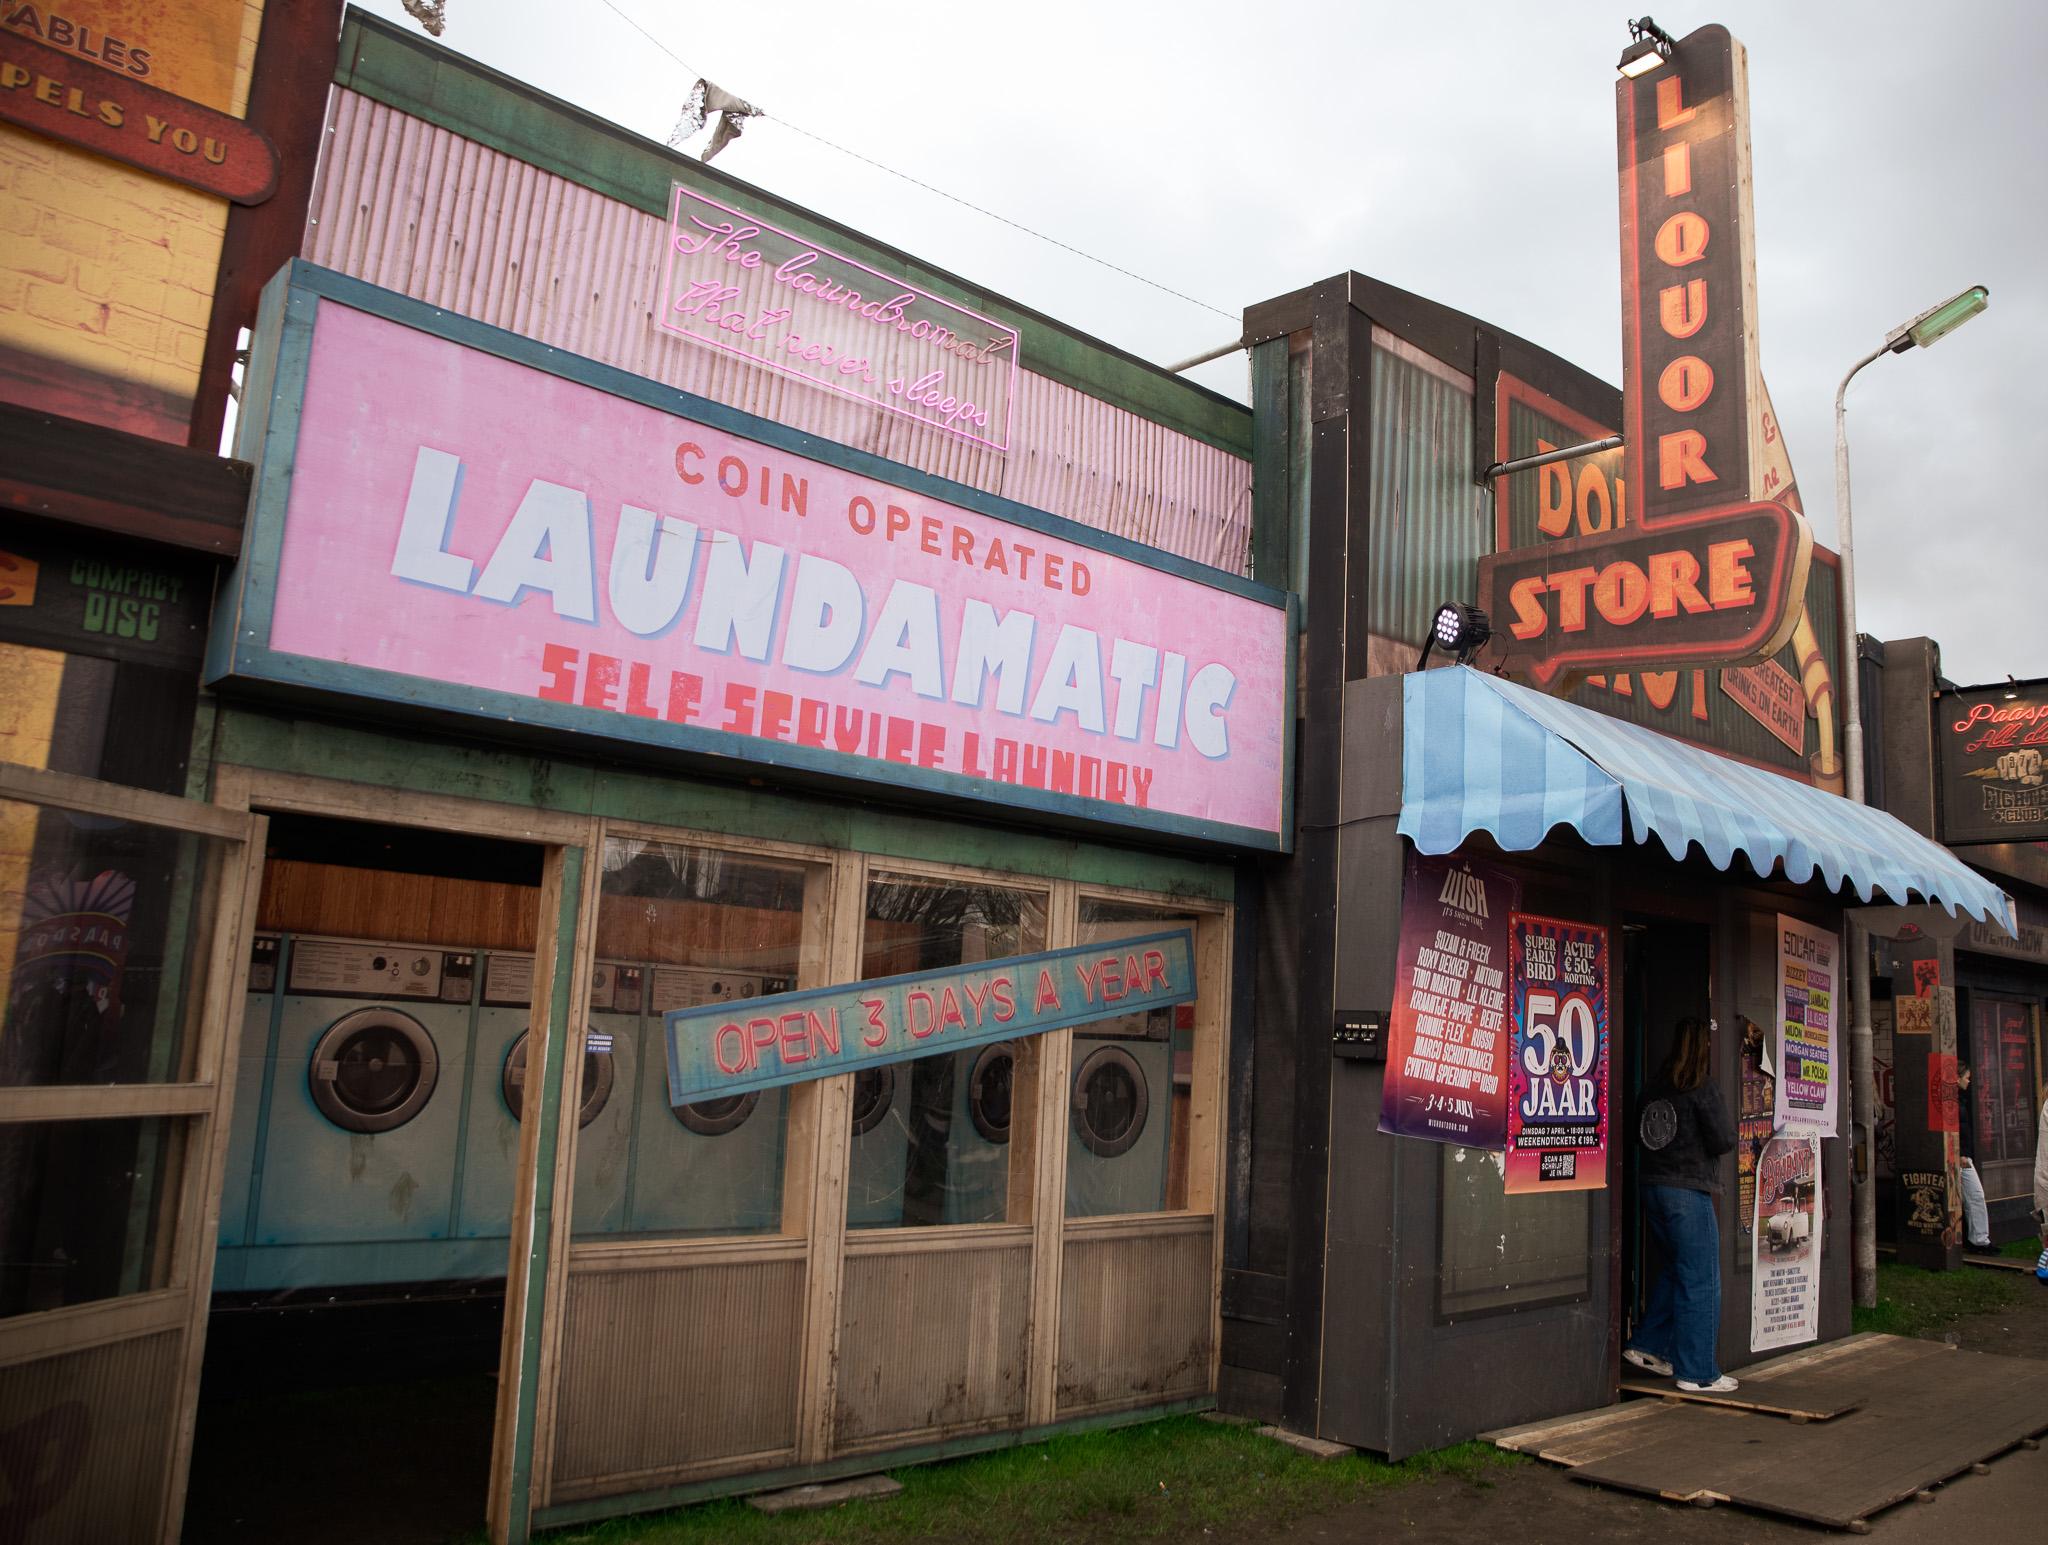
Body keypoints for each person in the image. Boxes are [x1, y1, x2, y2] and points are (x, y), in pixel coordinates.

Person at [1625, 1016, 1739, 1393]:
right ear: (1704, 1046)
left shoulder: (1652, 1087)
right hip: (1688, 1193)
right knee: (1702, 1279)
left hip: (1651, 1187)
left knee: (1678, 1269)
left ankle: (1648, 1345)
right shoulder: (1701, 1086)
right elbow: (1723, 1138)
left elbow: (1640, 1134)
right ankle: (1698, 1373)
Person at [1957, 1062, 1991, 1251]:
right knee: (1974, 1195)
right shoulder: (1954, 1101)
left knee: (1975, 1196)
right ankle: (1978, 1240)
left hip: (1963, 1155)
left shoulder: (1959, 1100)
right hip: (1961, 1156)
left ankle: (1979, 1240)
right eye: (1967, 1078)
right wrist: (1962, 1153)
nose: (1969, 1081)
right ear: (1957, 1078)